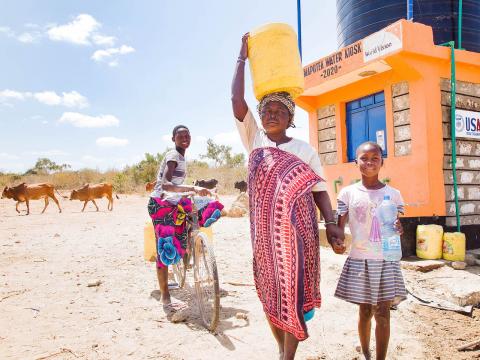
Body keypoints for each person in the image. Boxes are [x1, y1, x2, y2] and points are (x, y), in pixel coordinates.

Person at [232, 33, 345, 360]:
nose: (271, 114)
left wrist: (333, 224)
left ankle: (287, 356)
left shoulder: (304, 150)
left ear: (290, 117)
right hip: (265, 240)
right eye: (266, 109)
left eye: (279, 110)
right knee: (270, 296)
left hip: (298, 237)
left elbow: (320, 191)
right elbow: (237, 101)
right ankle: (282, 348)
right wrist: (242, 58)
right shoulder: (254, 139)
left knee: (292, 296)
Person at [334, 141, 407, 360]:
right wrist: (337, 241)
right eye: (364, 158)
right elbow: (339, 225)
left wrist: (399, 227)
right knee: (365, 311)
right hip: (360, 259)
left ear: (382, 162)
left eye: (375, 158)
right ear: (356, 161)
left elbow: (396, 224)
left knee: (383, 314)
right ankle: (366, 352)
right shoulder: (347, 193)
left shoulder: (393, 194)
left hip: (386, 260)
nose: (369, 162)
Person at [147, 125, 223, 307]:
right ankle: (165, 295)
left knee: (209, 207)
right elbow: (165, 185)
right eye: (180, 136)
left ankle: (188, 241)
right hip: (161, 204)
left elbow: (175, 185)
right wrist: (193, 188)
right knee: (164, 248)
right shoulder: (173, 156)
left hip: (174, 200)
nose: (184, 138)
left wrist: (195, 191)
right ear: (173, 138)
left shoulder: (181, 156)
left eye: (187, 135)